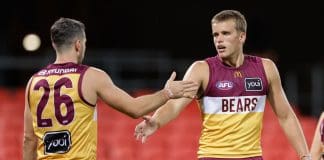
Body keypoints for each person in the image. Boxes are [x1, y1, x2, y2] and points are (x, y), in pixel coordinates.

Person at [134, 10, 312, 160]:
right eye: (215, 35)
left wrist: (305, 156)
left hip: (252, 156)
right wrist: (155, 122)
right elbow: (174, 105)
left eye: (225, 33)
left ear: (242, 36)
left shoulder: (266, 68)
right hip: (213, 156)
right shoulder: (201, 70)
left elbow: (286, 116)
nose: (219, 40)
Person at [22, 17, 198, 160]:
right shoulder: (90, 77)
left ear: (54, 45)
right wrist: (167, 93)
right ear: (78, 44)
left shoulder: (33, 82)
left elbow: (29, 139)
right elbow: (135, 109)